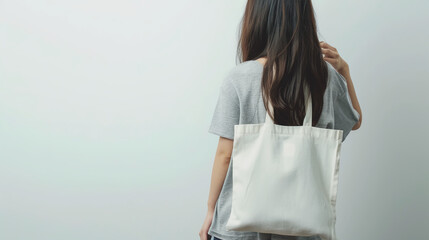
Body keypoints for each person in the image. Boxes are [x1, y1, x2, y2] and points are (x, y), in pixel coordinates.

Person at [199, 1, 362, 240]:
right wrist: (344, 71)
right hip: (305, 228)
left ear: (257, 20)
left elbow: (225, 154)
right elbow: (355, 120)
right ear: (305, 20)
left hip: (241, 228)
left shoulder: (239, 78)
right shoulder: (324, 78)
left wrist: (210, 209)